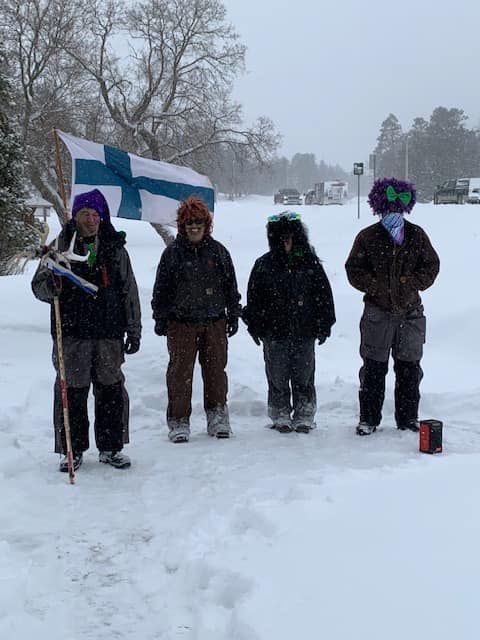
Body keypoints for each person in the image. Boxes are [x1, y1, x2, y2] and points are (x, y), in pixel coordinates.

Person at [32, 189, 141, 470]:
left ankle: (110, 447)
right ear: (75, 216)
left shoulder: (115, 248)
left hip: (108, 332)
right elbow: (39, 286)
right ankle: (72, 449)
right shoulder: (59, 245)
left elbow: (129, 290)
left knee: (111, 390)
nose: (92, 220)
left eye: (97, 215)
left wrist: (134, 328)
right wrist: (52, 286)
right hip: (72, 333)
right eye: (86, 214)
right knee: (72, 392)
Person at [345, 177, 440, 436]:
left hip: (410, 315)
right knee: (373, 370)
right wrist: (375, 286)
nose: (393, 214)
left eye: (398, 209)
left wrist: (412, 283)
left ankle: (408, 419)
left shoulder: (417, 235)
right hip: (377, 313)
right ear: (380, 208)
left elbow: (432, 265)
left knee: (409, 370)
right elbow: (353, 269)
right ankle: (369, 419)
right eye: (389, 209)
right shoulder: (367, 236)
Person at [151, 196, 241, 443]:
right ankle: (179, 420)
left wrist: (234, 313)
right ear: (182, 225)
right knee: (180, 373)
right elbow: (161, 289)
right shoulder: (172, 254)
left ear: (206, 224)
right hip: (181, 324)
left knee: (215, 372)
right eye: (189, 222)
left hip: (214, 322)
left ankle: (217, 415)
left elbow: (230, 286)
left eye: (198, 222)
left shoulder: (218, 252)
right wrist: (160, 317)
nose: (194, 227)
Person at [242, 211, 336, 433]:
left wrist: (324, 324)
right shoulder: (264, 264)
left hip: (305, 330)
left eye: (289, 235)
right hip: (274, 333)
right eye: (281, 236)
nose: (285, 240)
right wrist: (254, 325)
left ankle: (305, 413)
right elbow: (253, 299)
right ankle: (279, 412)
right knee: (277, 376)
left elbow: (324, 297)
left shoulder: (310, 263)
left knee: (304, 375)